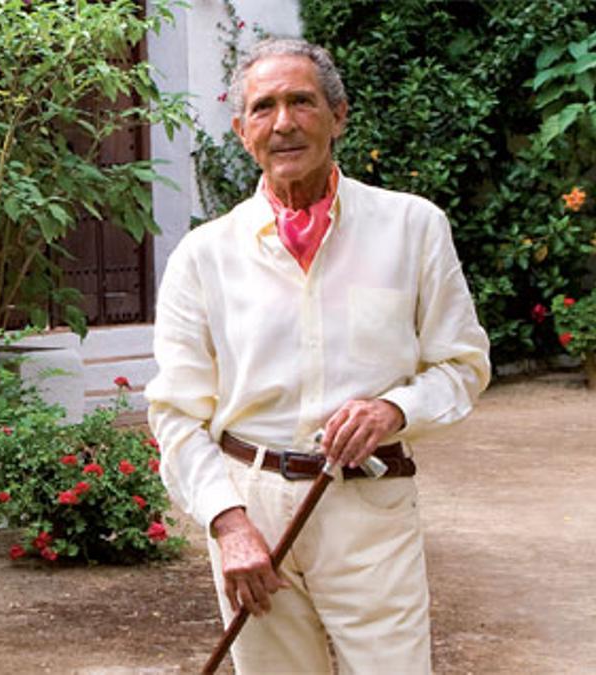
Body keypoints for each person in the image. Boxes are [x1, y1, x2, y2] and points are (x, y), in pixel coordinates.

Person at [145, 38, 490, 673]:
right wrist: (229, 524)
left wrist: (393, 408)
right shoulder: (203, 255)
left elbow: (462, 364)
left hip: (369, 509)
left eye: (301, 101)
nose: (284, 123)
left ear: (339, 115)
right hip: (251, 512)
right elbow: (175, 412)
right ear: (242, 129)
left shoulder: (413, 227)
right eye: (263, 107)